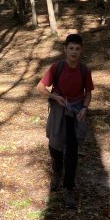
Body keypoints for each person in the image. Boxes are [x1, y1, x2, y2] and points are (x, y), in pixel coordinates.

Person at [36, 34, 94, 209]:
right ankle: (57, 172)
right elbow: (40, 87)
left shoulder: (84, 70)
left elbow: (88, 92)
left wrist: (84, 108)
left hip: (75, 113)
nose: (74, 52)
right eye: (71, 48)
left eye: (77, 48)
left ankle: (68, 187)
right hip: (59, 109)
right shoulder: (57, 67)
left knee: (72, 150)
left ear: (81, 50)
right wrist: (54, 96)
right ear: (65, 49)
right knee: (54, 146)